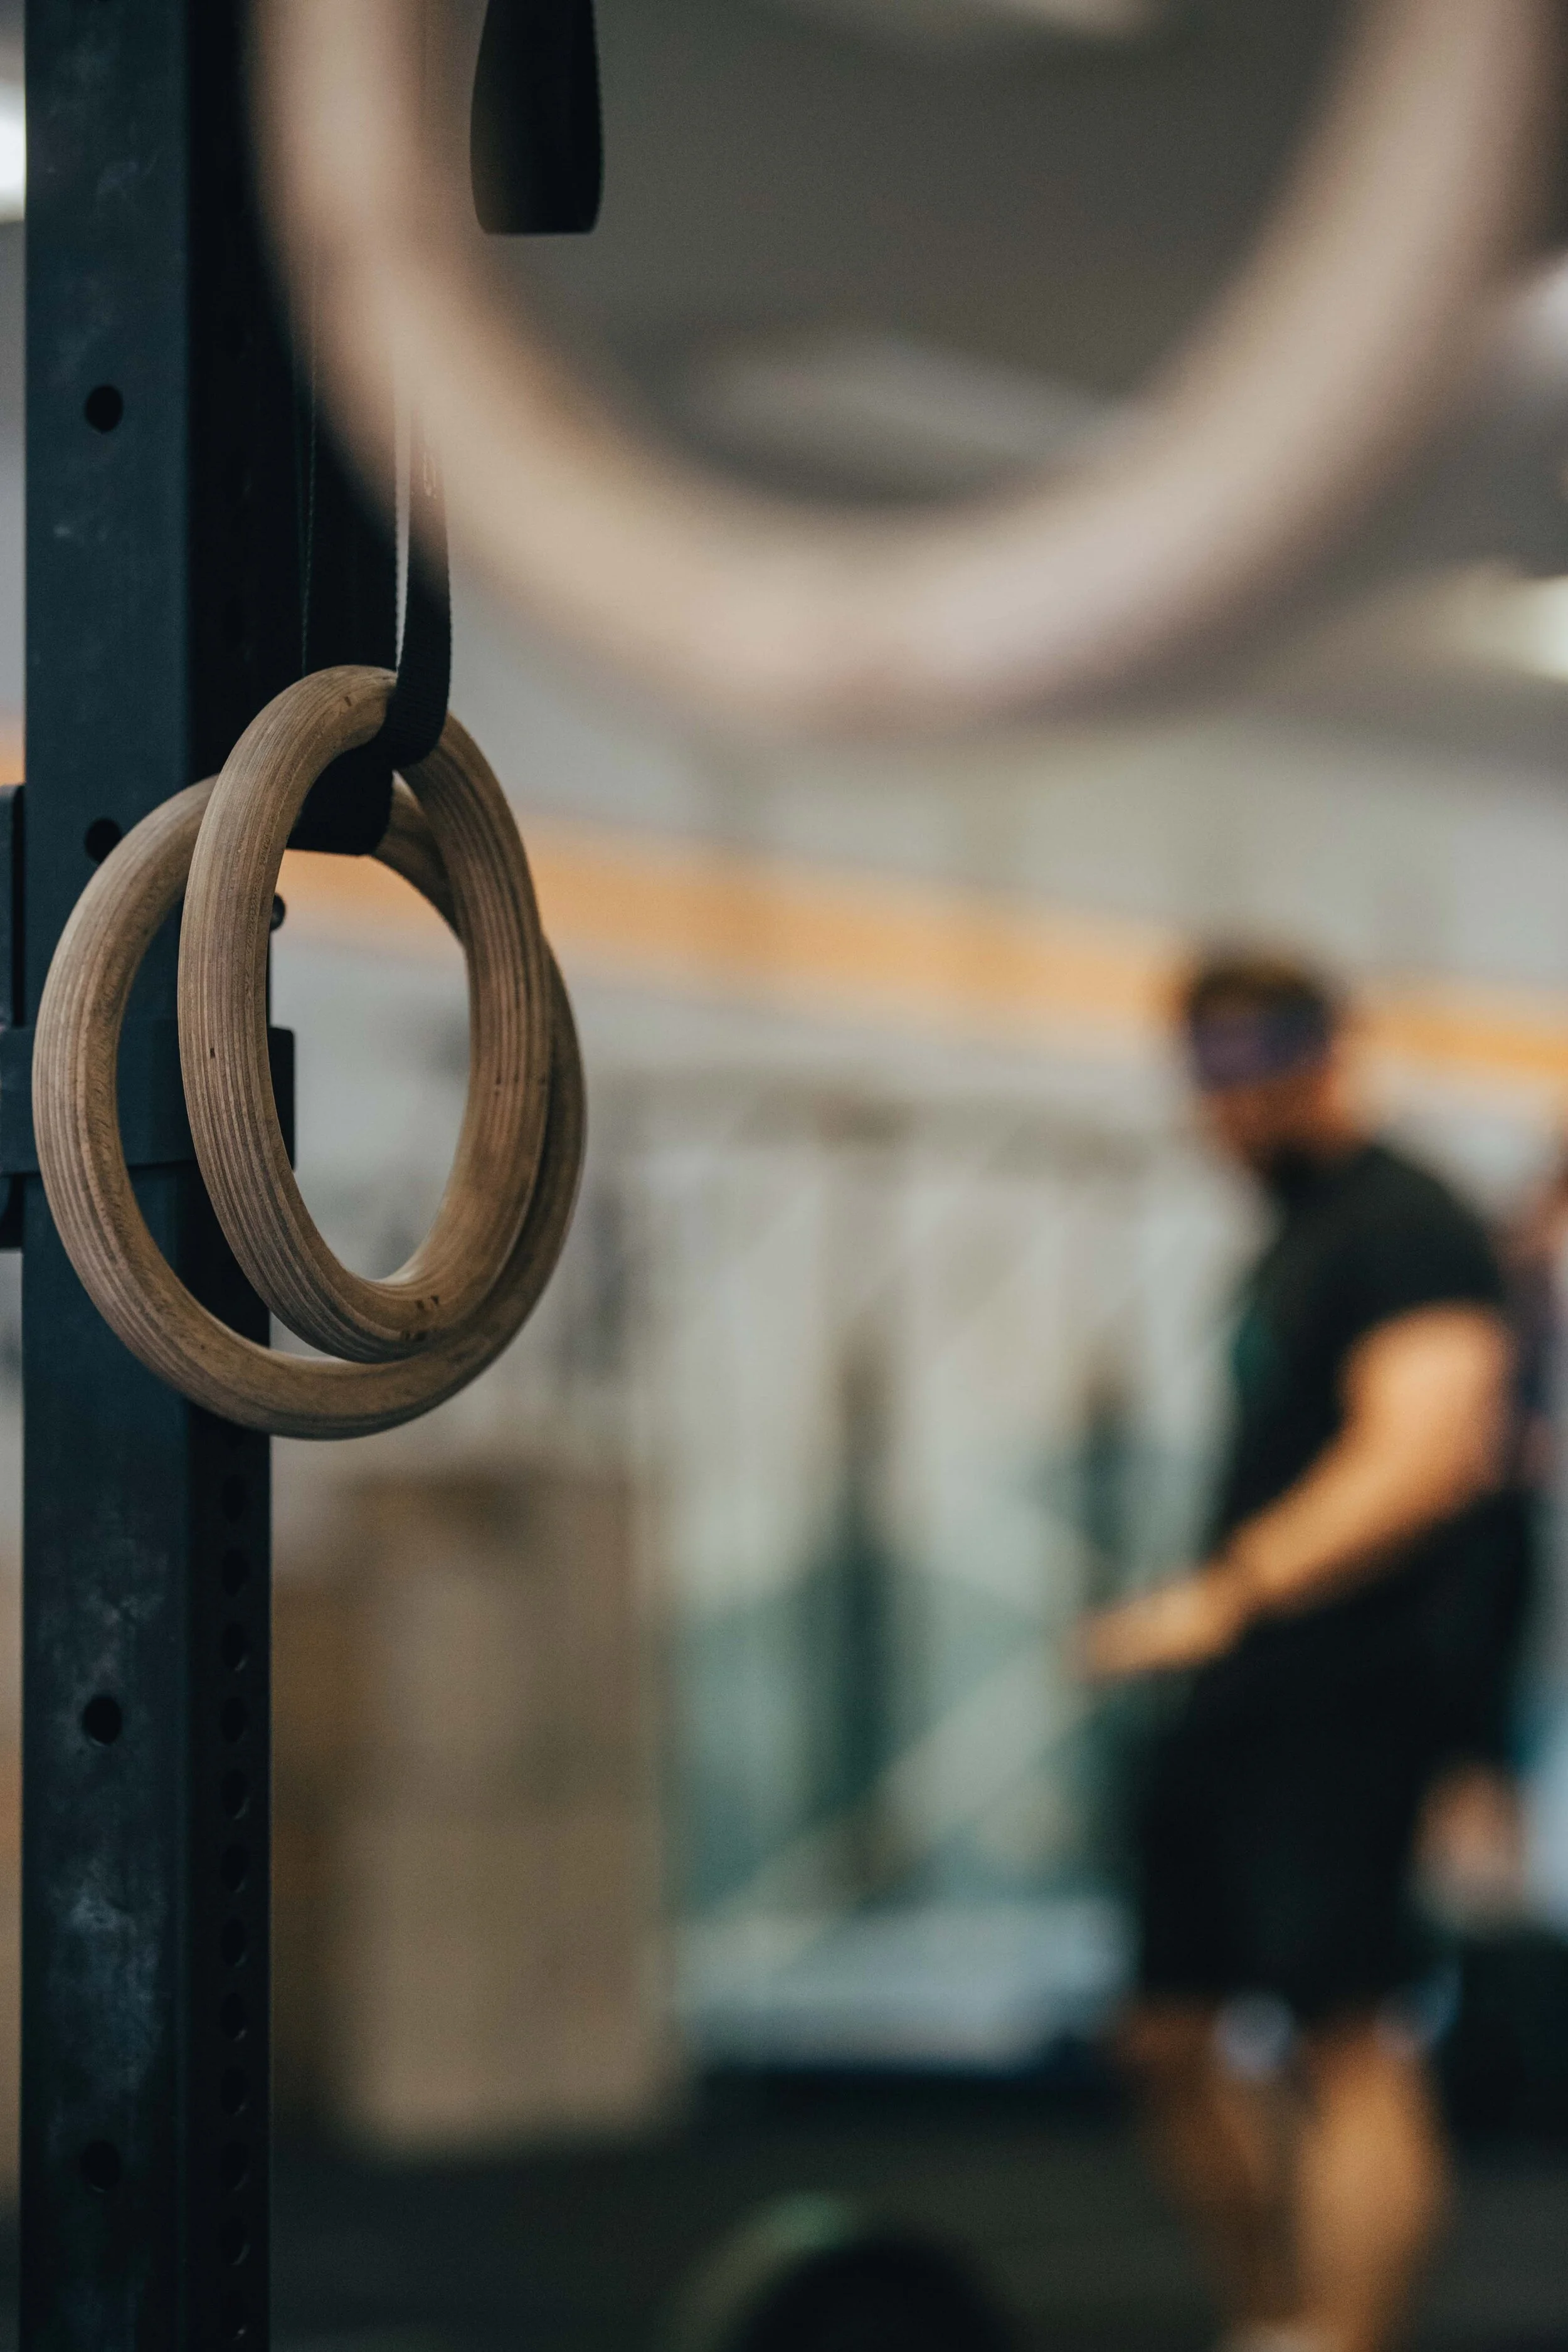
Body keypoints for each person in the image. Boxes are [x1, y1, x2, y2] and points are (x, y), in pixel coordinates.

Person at [1083, 950, 1512, 2352]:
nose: (1226, 1109)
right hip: (1242, 1694)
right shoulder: (1296, 1235)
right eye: (1206, 1079)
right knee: (1164, 2034)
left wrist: (1230, 1592)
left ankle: (1342, 2331)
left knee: (1348, 2039)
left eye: (1252, 1072)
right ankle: (1272, 2318)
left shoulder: (1408, 1226)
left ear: (1325, 1056)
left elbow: (1428, 1454)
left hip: (1349, 1691)